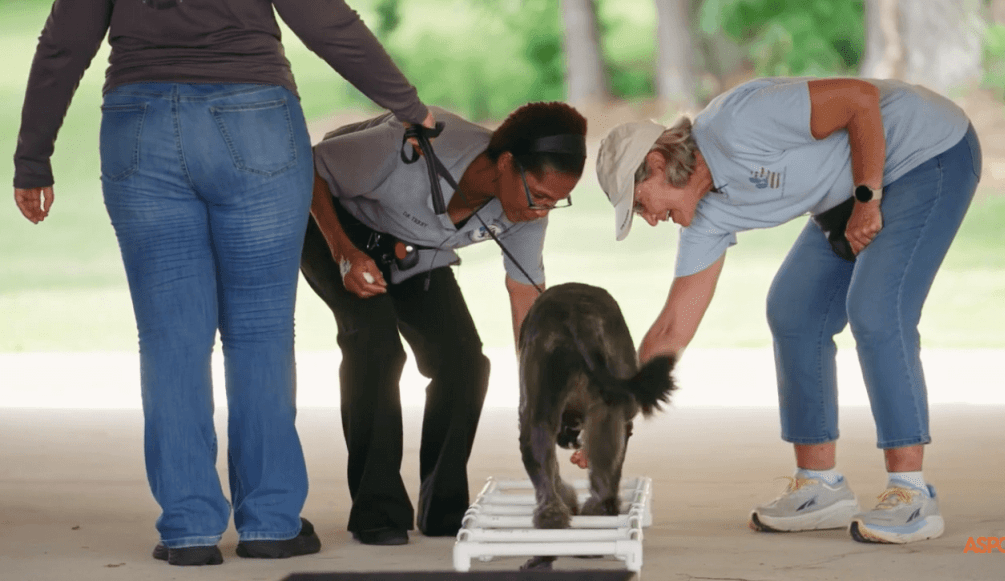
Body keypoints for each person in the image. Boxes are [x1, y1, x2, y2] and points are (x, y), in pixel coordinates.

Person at [13, 0, 433, 566]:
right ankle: (270, 523)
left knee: (169, 339)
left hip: (140, 122)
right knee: (260, 330)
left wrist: (33, 156)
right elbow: (325, 20)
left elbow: (65, 41)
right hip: (253, 115)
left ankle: (188, 528)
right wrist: (407, 106)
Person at [594, 77, 980, 544]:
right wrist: (613, 413)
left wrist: (867, 198)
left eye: (641, 205)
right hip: (854, 190)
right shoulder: (707, 215)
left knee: (878, 309)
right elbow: (673, 326)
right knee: (794, 310)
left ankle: (911, 492)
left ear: (656, 163)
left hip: (928, 151)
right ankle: (820, 486)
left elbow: (860, 100)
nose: (651, 219)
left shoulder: (738, 122)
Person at [300, 101, 587, 545]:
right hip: (335, 227)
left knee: (465, 364)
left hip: (414, 251)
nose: (543, 211)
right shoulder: (410, 146)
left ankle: (443, 510)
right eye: (540, 195)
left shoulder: (527, 214)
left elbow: (526, 299)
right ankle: (378, 511)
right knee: (375, 344)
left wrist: (546, 396)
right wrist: (343, 252)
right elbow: (311, 168)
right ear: (507, 163)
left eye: (557, 201)